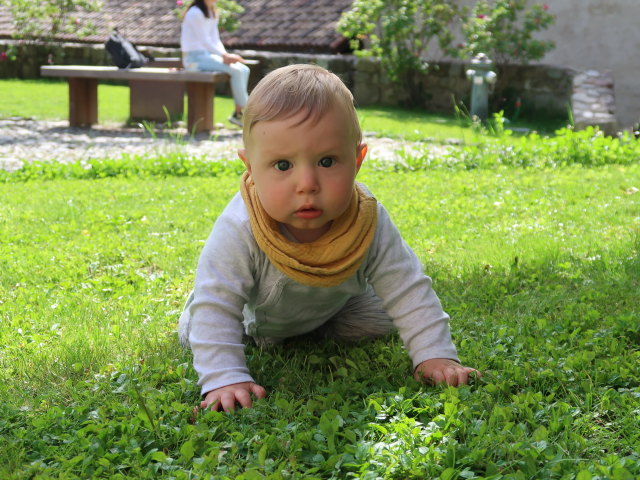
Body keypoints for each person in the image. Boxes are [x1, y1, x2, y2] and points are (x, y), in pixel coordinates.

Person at [178, 64, 479, 412]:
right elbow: (218, 302)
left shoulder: (368, 220)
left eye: (326, 161)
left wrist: (435, 356)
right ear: (250, 168)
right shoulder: (241, 226)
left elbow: (408, 286)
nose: (306, 183)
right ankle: (214, 331)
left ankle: (313, 328)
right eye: (282, 166)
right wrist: (225, 378)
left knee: (385, 317)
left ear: (357, 159)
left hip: (331, 309)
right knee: (202, 326)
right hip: (253, 319)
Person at [180, 0, 249, 127]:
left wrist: (224, 55)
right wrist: (225, 56)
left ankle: (238, 114)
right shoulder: (195, 12)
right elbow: (204, 40)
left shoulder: (212, 11)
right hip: (193, 59)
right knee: (237, 71)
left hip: (207, 55)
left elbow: (215, 39)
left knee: (244, 69)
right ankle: (246, 113)